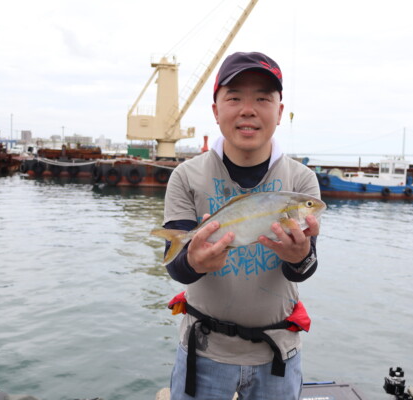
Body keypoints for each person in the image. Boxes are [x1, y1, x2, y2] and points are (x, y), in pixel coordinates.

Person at [161, 51, 322, 400]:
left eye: (262, 98)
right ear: (216, 110)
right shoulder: (186, 176)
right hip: (202, 352)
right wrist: (193, 261)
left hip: (277, 353)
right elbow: (176, 267)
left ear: (279, 112)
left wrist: (299, 255)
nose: (248, 109)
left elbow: (304, 270)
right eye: (234, 97)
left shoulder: (301, 180)